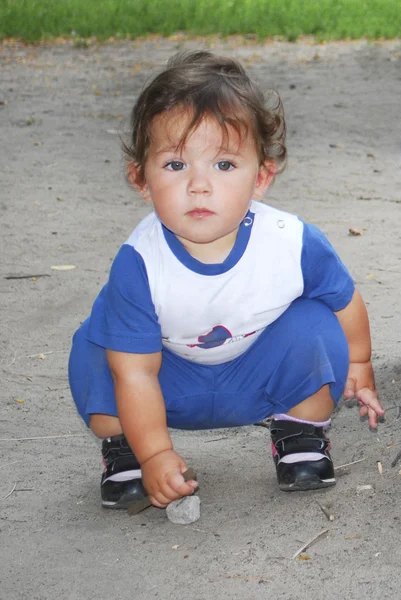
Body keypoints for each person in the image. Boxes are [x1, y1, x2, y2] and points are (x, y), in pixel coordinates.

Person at [68, 50, 384, 510]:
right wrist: (158, 452)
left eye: (224, 165)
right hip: (164, 383)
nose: (199, 185)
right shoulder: (139, 262)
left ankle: (299, 432)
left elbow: (345, 298)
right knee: (97, 350)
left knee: (318, 323)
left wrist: (360, 364)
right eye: (176, 165)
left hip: (256, 376)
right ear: (141, 179)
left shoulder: (291, 242)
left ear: (262, 176)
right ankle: (131, 449)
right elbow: (134, 372)